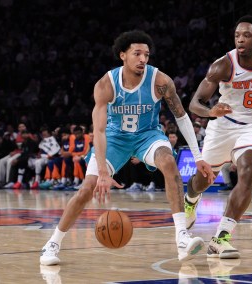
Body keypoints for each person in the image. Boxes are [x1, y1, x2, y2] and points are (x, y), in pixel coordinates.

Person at [40, 30, 214, 265]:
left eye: (147, 54)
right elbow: (99, 131)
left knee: (169, 163)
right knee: (87, 188)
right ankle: (53, 243)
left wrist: (198, 156)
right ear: (123, 55)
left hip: (147, 135)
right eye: (137, 53)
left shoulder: (160, 81)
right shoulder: (106, 84)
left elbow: (182, 117)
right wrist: (102, 171)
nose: (143, 59)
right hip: (115, 137)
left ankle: (182, 238)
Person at [185, 15, 252, 259]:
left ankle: (221, 238)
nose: (240, 39)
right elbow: (195, 103)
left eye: (246, 35)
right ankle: (191, 199)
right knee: (203, 180)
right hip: (223, 125)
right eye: (237, 36)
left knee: (249, 169)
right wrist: (210, 111)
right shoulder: (223, 65)